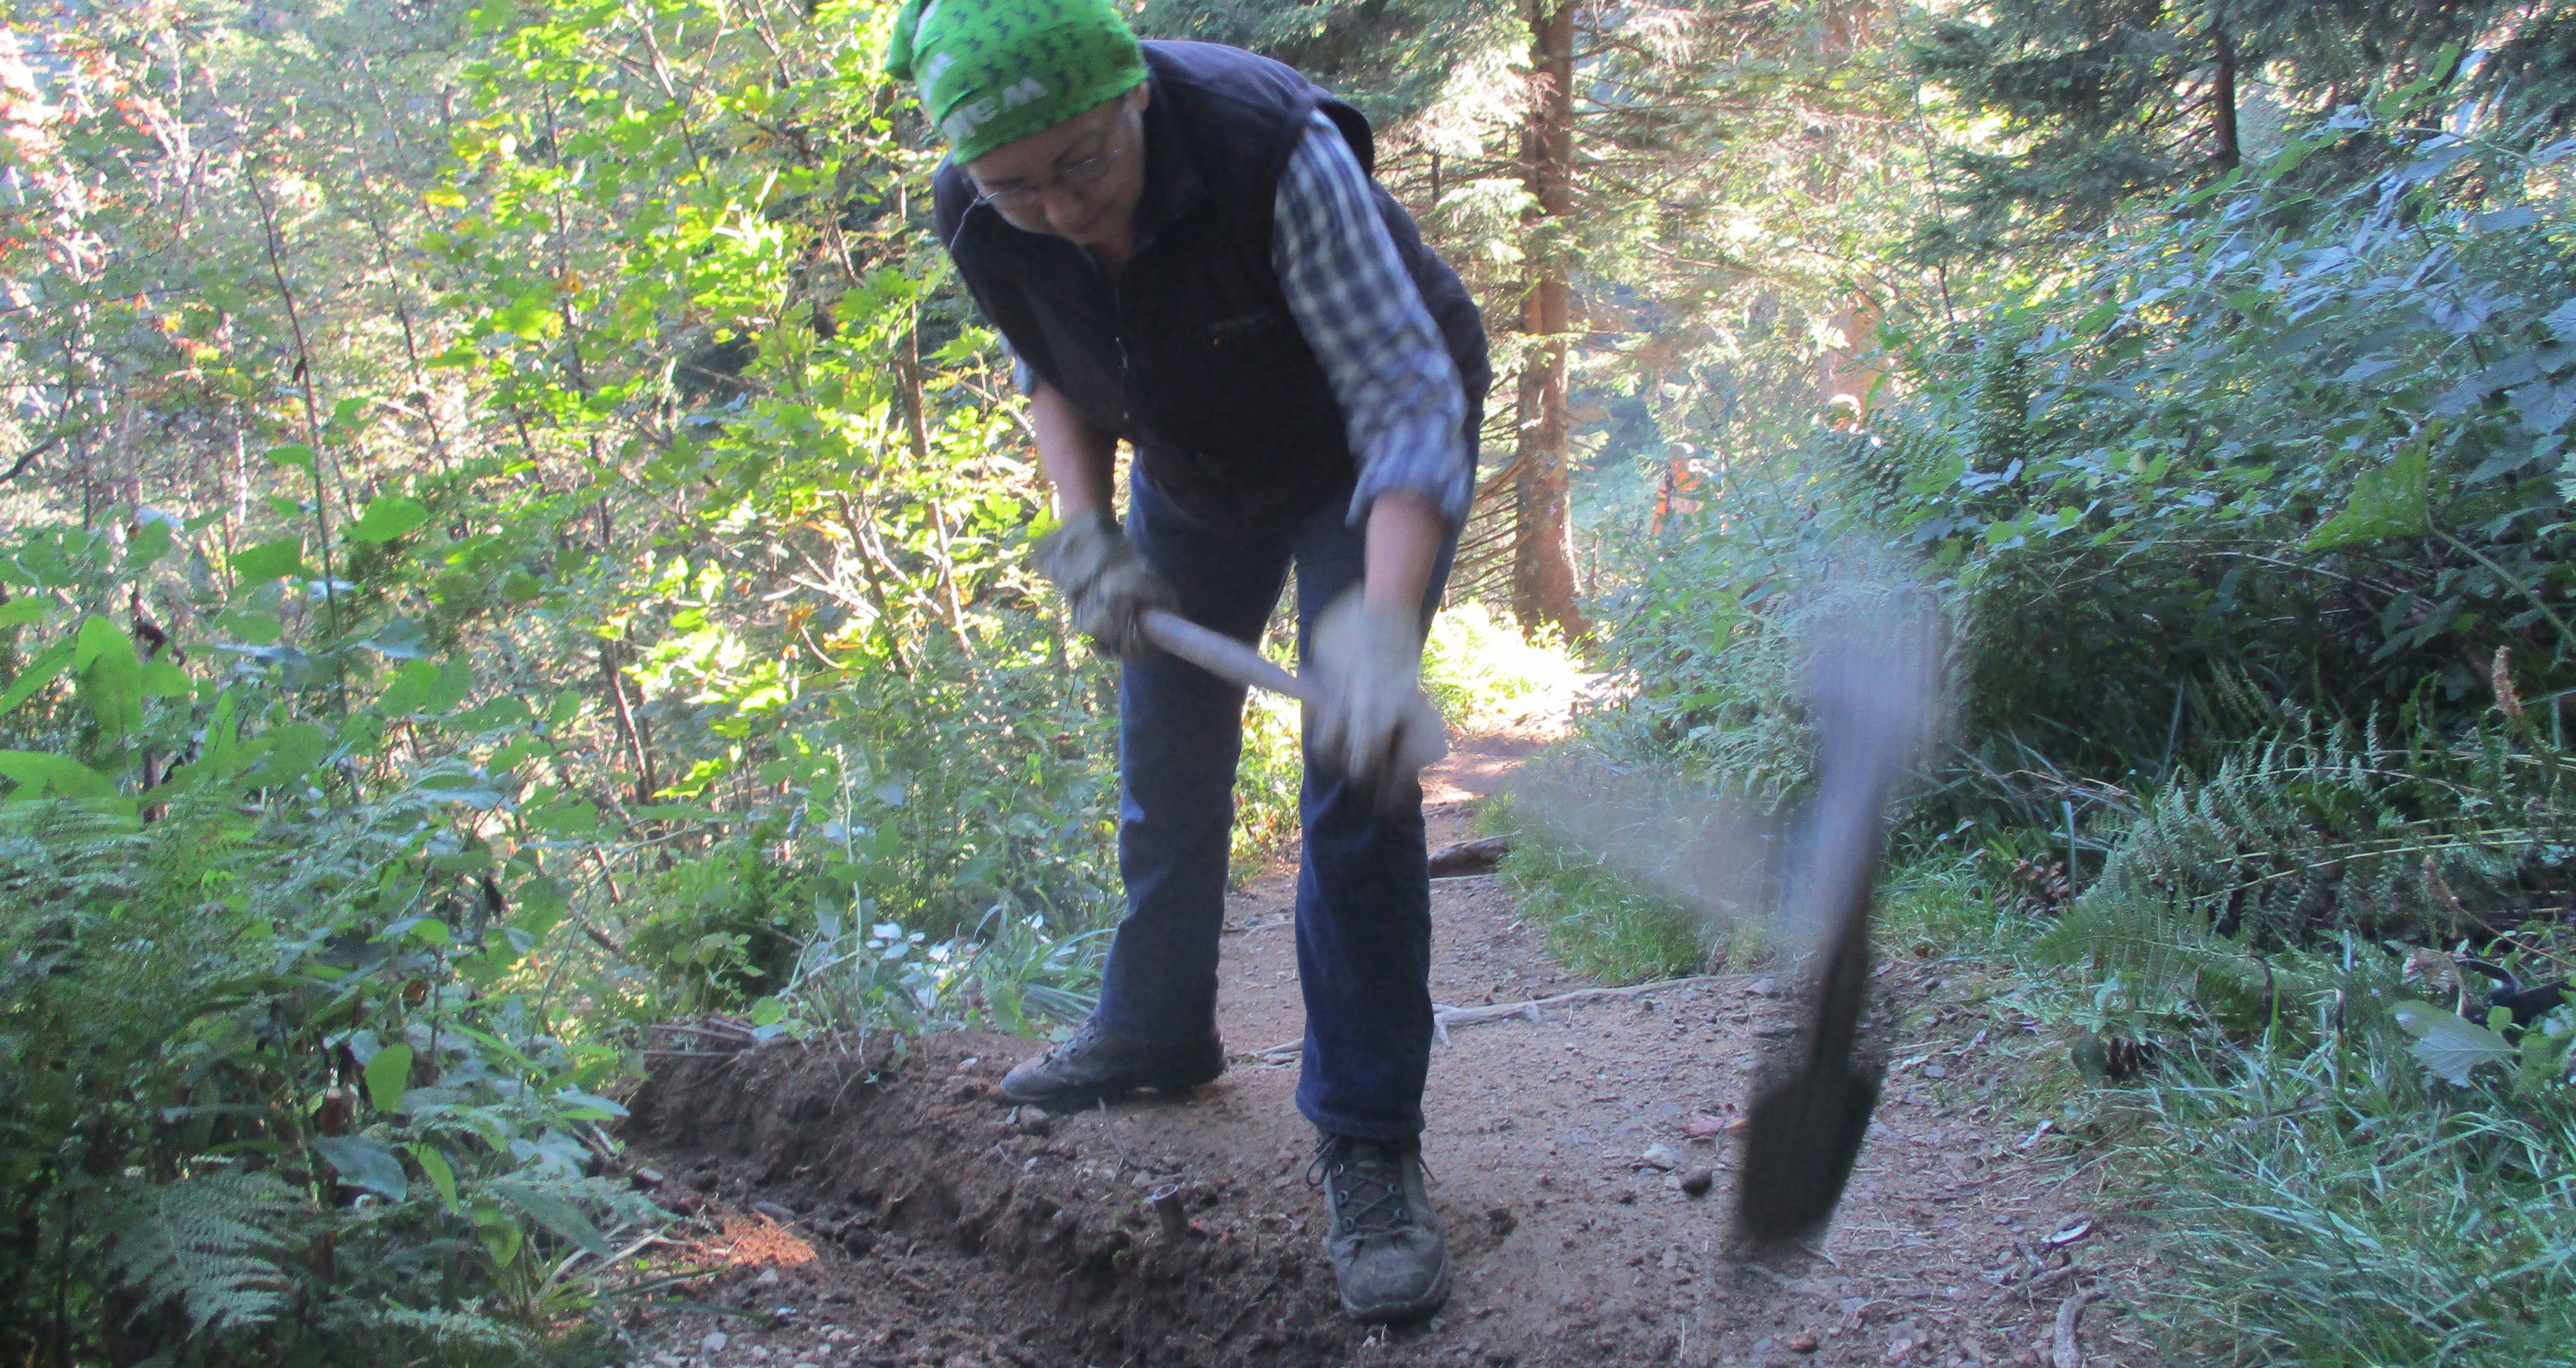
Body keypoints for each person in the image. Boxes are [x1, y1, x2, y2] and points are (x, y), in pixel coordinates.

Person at [884, 0, 1490, 1326]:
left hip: (1357, 453)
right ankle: (1155, 1031)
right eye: (1014, 181)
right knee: (1163, 744)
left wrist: (1380, 635)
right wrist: (1084, 530)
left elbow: (1400, 398)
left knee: (1352, 775)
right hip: (1189, 460)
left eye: (1082, 165)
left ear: (1133, 98)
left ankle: (1367, 1139)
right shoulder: (982, 207)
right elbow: (1053, 366)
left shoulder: (1273, 152)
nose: (1054, 207)